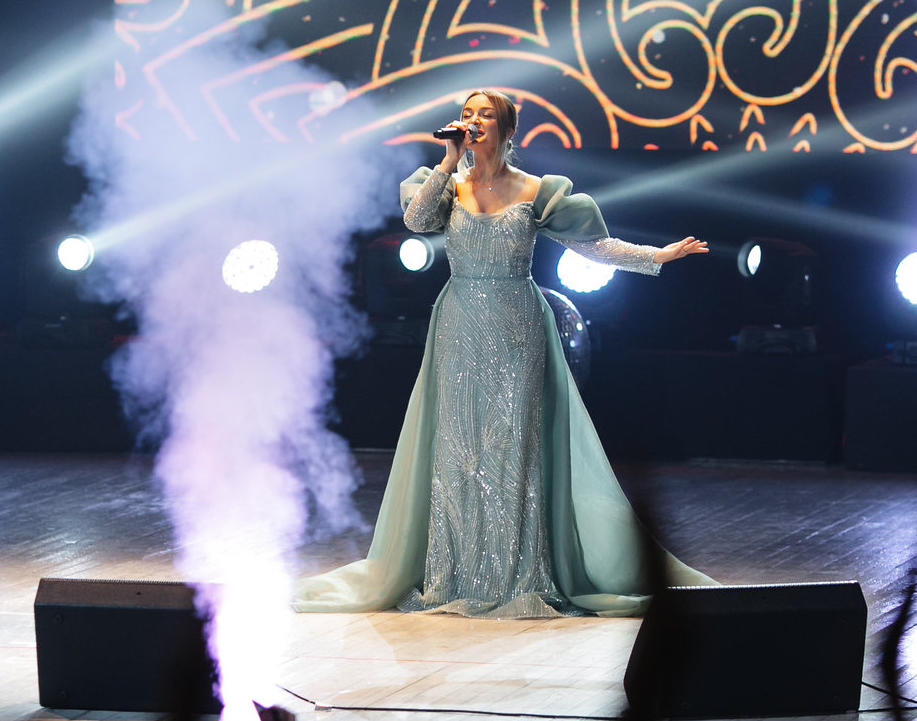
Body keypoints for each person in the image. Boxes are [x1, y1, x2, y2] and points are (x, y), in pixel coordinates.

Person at [297, 90, 714, 617]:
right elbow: (417, 223)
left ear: (507, 128)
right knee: (459, 447)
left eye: (485, 115)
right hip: (460, 323)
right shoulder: (445, 185)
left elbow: (592, 247)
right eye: (467, 114)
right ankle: (453, 572)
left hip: (517, 324)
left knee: (515, 444)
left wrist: (656, 255)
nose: (473, 122)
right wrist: (448, 162)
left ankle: (520, 572)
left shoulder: (538, 191)